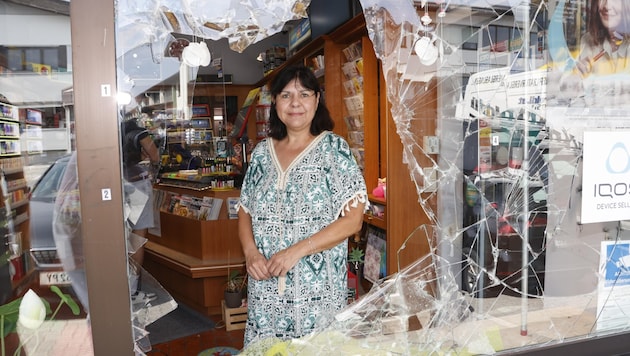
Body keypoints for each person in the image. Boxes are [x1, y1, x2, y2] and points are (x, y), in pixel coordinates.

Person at [237, 64, 369, 346]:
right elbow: (245, 209)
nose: (295, 103)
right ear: (275, 103)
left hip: (316, 292)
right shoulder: (262, 152)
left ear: (317, 100)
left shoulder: (334, 149)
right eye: (285, 95)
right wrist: (250, 254)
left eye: (304, 94)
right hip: (266, 288)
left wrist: (296, 251)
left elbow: (353, 220)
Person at [120, 118, 160, 304]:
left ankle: (120, 288)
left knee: (122, 235)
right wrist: (154, 167)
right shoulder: (138, 132)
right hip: (137, 182)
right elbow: (154, 154)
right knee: (138, 236)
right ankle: (132, 290)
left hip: (118, 184)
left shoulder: (112, 130)